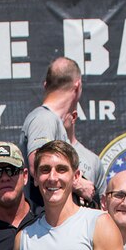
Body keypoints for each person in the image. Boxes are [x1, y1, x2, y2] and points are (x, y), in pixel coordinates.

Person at [18, 57, 82, 209]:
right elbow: (37, 166)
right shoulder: (44, 118)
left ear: (45, 85)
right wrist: (79, 184)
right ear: (77, 86)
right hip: (41, 216)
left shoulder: (51, 119)